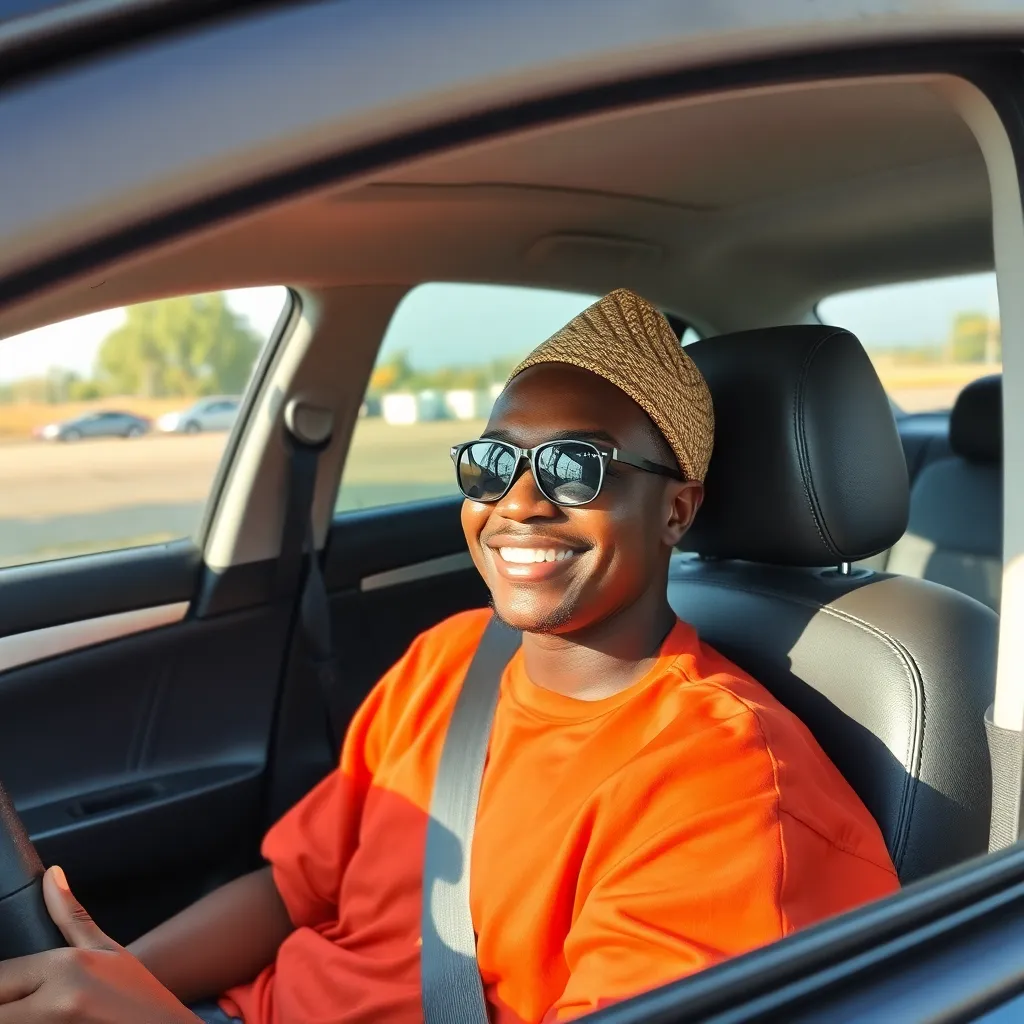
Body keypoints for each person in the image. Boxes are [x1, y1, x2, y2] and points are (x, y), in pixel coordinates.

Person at [0, 289, 899, 1024]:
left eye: (575, 469)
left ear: (676, 510)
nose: (517, 504)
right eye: (490, 463)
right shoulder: (453, 657)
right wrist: (110, 984)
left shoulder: (724, 783)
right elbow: (290, 891)